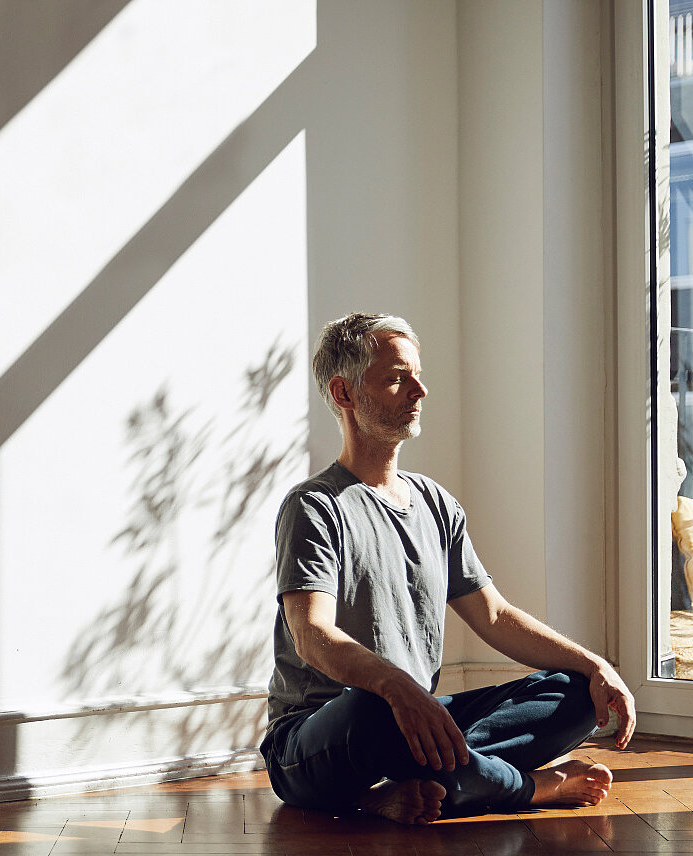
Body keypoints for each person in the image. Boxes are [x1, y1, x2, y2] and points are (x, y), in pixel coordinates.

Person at [262, 313, 636, 825]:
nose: (420, 389)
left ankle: (414, 784)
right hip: (321, 735)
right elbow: (312, 635)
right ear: (344, 394)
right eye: (397, 377)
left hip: (413, 716)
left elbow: (495, 617)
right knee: (375, 708)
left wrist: (596, 666)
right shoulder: (315, 506)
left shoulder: (435, 503)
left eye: (417, 373)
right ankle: (523, 788)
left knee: (574, 693)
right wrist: (396, 688)